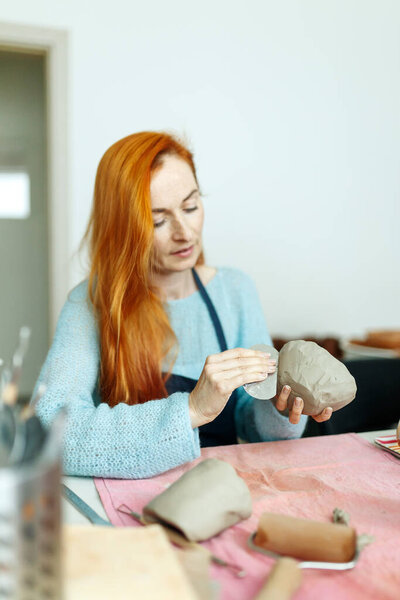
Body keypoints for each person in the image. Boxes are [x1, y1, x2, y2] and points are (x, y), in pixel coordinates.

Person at [34, 131, 332, 478]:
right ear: (123, 227)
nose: (185, 232)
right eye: (158, 220)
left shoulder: (235, 291)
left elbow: (253, 428)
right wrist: (191, 410)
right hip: (129, 502)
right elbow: (49, 432)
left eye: (190, 206)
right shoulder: (88, 305)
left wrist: (280, 412)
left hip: (223, 492)